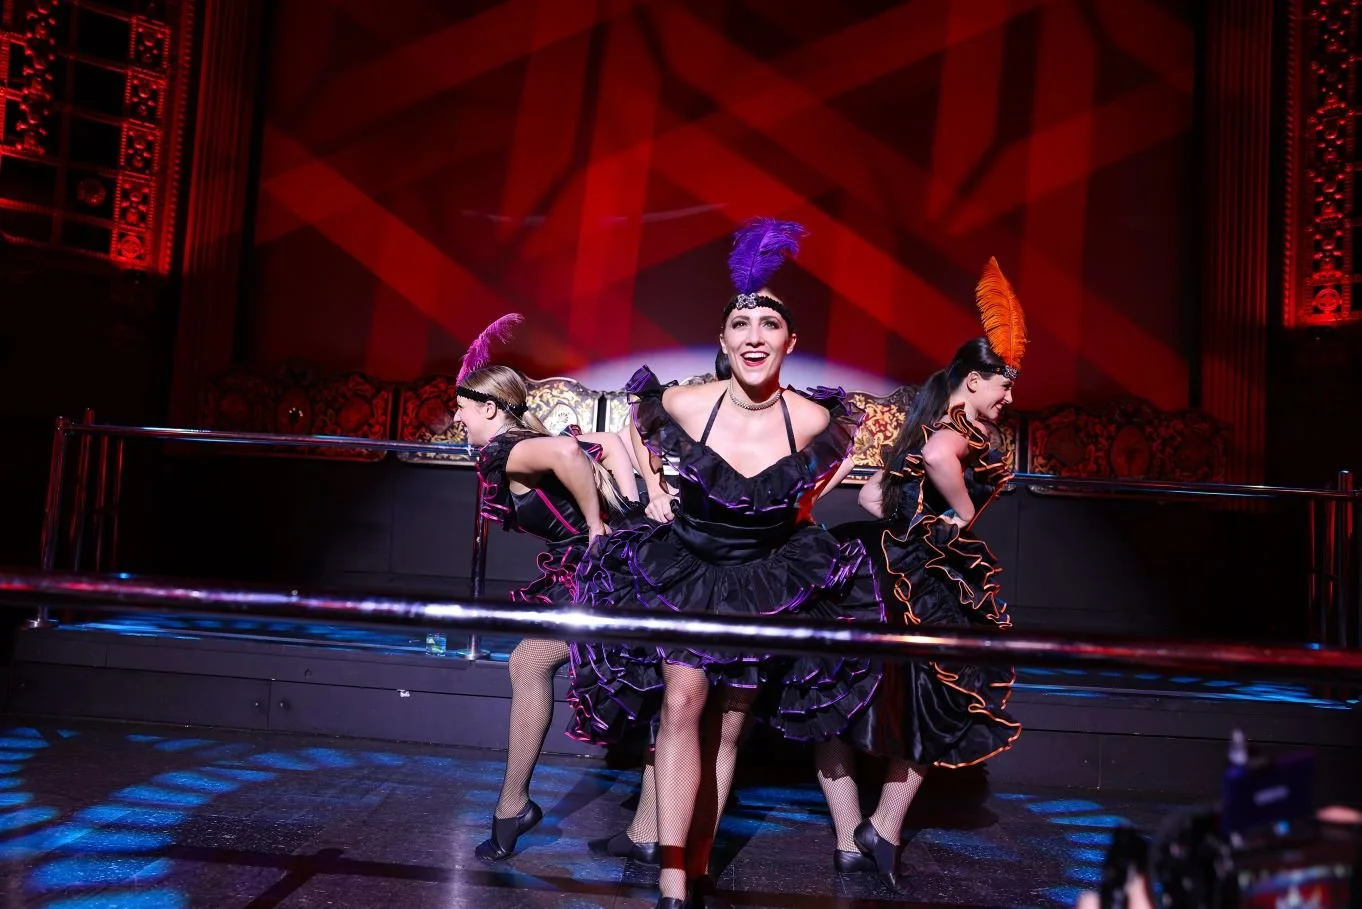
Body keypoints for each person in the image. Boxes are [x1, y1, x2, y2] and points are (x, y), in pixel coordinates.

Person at [568, 218, 867, 909]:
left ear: (790, 342)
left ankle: (695, 862)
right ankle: (673, 878)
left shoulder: (815, 422)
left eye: (769, 324)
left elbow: (816, 488)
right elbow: (637, 427)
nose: (754, 336)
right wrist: (656, 491)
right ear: (725, 341)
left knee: (730, 724)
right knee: (682, 703)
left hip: (762, 578)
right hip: (689, 565)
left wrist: (794, 519)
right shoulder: (682, 402)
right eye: (741, 324)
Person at [815, 258, 1027, 889]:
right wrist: (960, 514)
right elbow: (937, 459)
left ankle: (853, 837)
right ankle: (880, 827)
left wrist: (912, 521)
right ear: (973, 380)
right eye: (1003, 387)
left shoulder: (922, 424)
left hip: (872, 565)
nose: (1009, 399)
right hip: (919, 579)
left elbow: (870, 497)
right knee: (935, 697)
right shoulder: (955, 431)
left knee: (834, 698)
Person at [451, 319, 649, 862]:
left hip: (604, 568)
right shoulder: (526, 442)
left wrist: (598, 523)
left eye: (462, 408)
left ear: (490, 409)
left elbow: (568, 456)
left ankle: (513, 807)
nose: (457, 418)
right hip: (622, 560)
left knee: (531, 661)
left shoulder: (507, 451)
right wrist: (630, 507)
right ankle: (646, 830)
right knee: (647, 679)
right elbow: (610, 442)